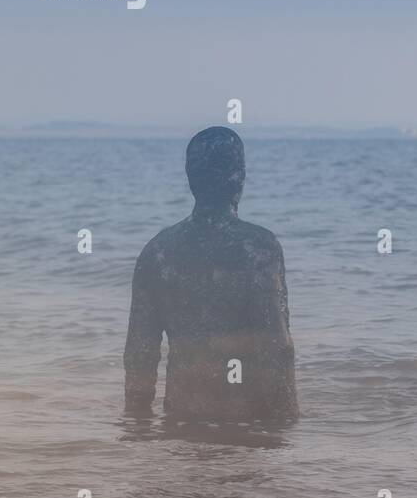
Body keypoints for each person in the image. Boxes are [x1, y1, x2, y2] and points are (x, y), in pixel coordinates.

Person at [124, 126, 299, 423]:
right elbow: (276, 346)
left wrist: (136, 423)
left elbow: (139, 353)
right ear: (239, 176)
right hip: (249, 424)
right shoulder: (257, 247)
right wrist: (287, 423)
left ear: (191, 177)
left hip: (181, 419)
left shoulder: (157, 251)